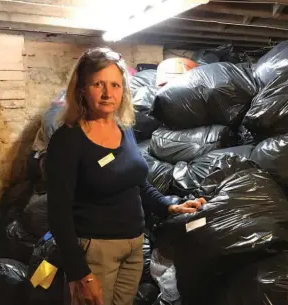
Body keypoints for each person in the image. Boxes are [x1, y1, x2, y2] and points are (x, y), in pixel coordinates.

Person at [46, 47, 206, 305]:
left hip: (133, 245)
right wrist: (79, 272)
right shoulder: (67, 140)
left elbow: (136, 181)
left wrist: (169, 206)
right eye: (99, 84)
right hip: (96, 251)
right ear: (82, 89)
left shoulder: (123, 129)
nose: (108, 93)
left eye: (115, 85)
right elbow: (58, 211)